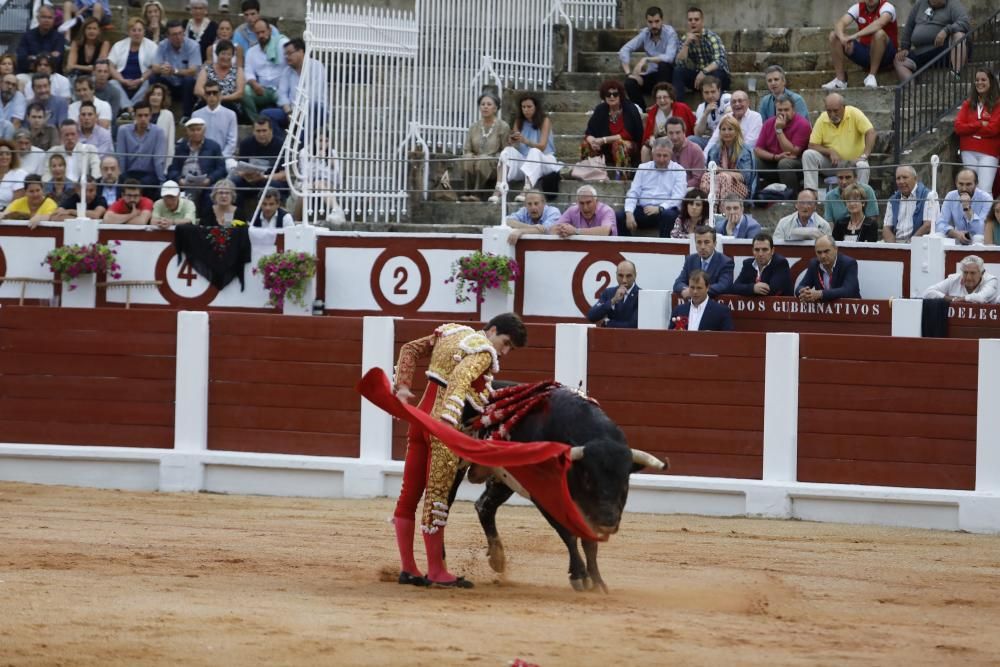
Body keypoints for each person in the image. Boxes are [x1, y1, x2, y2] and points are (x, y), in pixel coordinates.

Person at [391, 313, 527, 588]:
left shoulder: (451, 332)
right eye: (506, 342)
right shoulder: (484, 351)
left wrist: (403, 387)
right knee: (436, 500)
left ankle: (408, 568)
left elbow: (409, 349)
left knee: (409, 497)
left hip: (418, 421)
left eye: (510, 347)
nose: (505, 350)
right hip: (441, 427)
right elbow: (461, 377)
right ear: (492, 330)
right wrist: (448, 420)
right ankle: (436, 572)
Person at [803, 93, 875, 190]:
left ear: (844, 107)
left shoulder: (854, 113)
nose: (832, 114)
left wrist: (864, 156)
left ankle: (860, 197)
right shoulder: (823, 118)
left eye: (836, 111)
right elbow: (812, 145)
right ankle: (811, 193)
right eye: (829, 111)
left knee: (863, 165)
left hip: (853, 164)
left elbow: (871, 132)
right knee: (808, 154)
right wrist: (830, 151)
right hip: (833, 164)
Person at [617, 137, 687, 237]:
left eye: (665, 156)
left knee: (669, 215)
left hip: (665, 210)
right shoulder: (643, 168)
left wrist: (660, 208)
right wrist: (629, 212)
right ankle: (627, 249)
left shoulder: (679, 170)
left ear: (671, 155)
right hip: (643, 209)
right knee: (620, 216)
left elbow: (678, 197)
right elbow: (633, 192)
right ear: (652, 154)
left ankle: (664, 248)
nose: (661, 159)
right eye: (658, 155)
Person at [823, 0, 898, 90]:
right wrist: (842, 37)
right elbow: (840, 23)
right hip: (866, 53)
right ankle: (840, 80)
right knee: (834, 36)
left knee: (879, 34)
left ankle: (871, 76)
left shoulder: (887, 6)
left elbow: (879, 23)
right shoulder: (858, 7)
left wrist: (855, 36)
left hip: (887, 55)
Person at [498, 94, 559, 200]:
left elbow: (542, 147)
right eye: (523, 107)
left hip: (545, 159)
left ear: (536, 107)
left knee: (534, 151)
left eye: (529, 107)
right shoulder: (518, 121)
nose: (526, 110)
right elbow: (516, 146)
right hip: (526, 161)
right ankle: (498, 189)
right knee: (507, 151)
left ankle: (526, 190)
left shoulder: (545, 121)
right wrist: (511, 141)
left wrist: (526, 141)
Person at [894, 0, 970, 82]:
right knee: (899, 60)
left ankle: (956, 74)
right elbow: (909, 26)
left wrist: (947, 30)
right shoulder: (920, 4)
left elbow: (964, 22)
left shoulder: (953, 4)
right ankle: (911, 91)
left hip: (944, 51)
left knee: (959, 35)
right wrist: (905, 47)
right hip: (921, 52)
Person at [619, 6, 678, 109]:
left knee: (663, 65)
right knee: (630, 83)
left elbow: (669, 57)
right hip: (652, 76)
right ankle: (642, 112)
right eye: (650, 22)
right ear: (647, 22)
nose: (654, 25)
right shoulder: (645, 34)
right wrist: (629, 74)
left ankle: (660, 106)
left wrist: (646, 59)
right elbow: (624, 50)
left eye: (656, 21)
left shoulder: (670, 33)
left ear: (662, 21)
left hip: (668, 77)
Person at [167, 116, 226, 218]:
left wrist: (209, 179)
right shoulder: (181, 147)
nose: (195, 133)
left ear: (204, 131)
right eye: (192, 130)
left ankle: (203, 223)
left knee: (210, 195)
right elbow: (172, 169)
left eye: (198, 130)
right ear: (187, 131)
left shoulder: (213, 146)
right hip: (185, 182)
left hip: (206, 182)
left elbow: (221, 169)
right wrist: (179, 180)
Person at [262, 37, 325, 132]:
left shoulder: (316, 67)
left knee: (313, 108)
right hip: (291, 112)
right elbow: (282, 94)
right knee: (266, 114)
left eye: (289, 53)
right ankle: (282, 143)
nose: (287, 57)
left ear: (301, 52)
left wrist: (299, 114)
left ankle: (302, 143)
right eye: (285, 54)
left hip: (313, 111)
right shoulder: (287, 71)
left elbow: (313, 96)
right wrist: (289, 113)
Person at [581, 80, 643, 176]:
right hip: (605, 149)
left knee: (619, 145)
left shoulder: (630, 108)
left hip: (629, 148)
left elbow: (627, 134)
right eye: (608, 94)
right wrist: (592, 141)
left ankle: (622, 177)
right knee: (586, 144)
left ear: (620, 95)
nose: (612, 97)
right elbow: (589, 132)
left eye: (615, 94)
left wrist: (603, 140)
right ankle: (590, 175)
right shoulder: (600, 109)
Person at [955, 69, 1000, 196]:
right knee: (970, 190)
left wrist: (969, 129)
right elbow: (958, 127)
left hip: (989, 151)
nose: (979, 83)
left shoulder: (998, 104)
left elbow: (994, 129)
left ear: (991, 82)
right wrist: (979, 124)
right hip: (968, 150)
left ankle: (986, 217)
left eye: (983, 80)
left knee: (984, 190)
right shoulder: (968, 104)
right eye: (977, 80)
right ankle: (971, 216)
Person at [754, 94, 810, 193]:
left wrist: (779, 130)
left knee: (784, 163)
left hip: (796, 163)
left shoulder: (803, 124)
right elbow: (758, 150)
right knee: (753, 160)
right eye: (779, 110)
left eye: (786, 110)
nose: (783, 113)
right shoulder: (769, 123)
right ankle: (755, 194)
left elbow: (792, 153)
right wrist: (775, 157)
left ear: (793, 110)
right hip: (774, 161)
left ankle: (791, 197)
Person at [461, 92, 509, 203]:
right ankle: (466, 191)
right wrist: (472, 156)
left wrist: (487, 156)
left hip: (493, 162)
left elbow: (505, 151)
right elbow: (467, 149)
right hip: (475, 159)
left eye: (489, 104)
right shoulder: (474, 126)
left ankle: (477, 193)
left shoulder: (503, 126)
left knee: (483, 159)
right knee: (467, 157)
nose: (485, 107)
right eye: (482, 104)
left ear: (495, 108)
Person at [229, 116, 287, 209]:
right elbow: (240, 168)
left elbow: (284, 174)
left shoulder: (281, 145)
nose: (261, 134)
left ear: (271, 130)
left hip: (270, 179)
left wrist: (264, 177)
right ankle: (237, 218)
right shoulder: (246, 143)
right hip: (250, 178)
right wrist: (247, 176)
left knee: (273, 186)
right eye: (258, 131)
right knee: (233, 183)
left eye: (264, 131)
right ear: (253, 131)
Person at [672, 6, 730, 97]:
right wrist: (686, 44)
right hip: (699, 79)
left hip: (717, 77)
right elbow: (679, 63)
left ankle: (716, 106)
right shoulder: (685, 39)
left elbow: (720, 60)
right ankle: (678, 107)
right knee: (678, 72)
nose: (693, 22)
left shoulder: (711, 37)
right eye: (690, 20)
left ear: (702, 21)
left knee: (717, 73)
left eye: (696, 19)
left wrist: (704, 71)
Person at [151, 20, 202, 119]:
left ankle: (186, 115)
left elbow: (193, 70)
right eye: (174, 34)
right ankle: (155, 112)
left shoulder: (193, 46)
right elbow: (154, 67)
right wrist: (162, 69)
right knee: (153, 78)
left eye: (180, 33)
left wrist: (174, 71)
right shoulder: (163, 45)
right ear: (168, 36)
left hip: (186, 86)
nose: (178, 37)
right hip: (169, 85)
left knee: (189, 80)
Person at [701, 115, 756, 207]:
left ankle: (723, 213)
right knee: (707, 176)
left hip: (741, 188)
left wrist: (722, 171)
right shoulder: (714, 149)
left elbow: (745, 177)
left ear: (736, 131)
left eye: (730, 129)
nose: (726, 132)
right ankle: (709, 211)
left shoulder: (744, 151)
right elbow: (711, 171)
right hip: (718, 186)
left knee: (723, 177)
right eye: (723, 129)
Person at [242, 19, 287, 123]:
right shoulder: (251, 52)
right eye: (258, 33)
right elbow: (248, 72)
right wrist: (254, 84)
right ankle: (257, 122)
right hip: (262, 90)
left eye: (263, 32)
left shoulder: (282, 45)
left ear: (269, 31)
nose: (261, 35)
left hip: (280, 89)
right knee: (245, 91)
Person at [640, 82, 696, 163]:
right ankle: (646, 174)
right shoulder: (653, 112)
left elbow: (686, 132)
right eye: (659, 98)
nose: (662, 100)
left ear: (671, 99)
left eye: (665, 97)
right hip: (659, 144)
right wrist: (651, 139)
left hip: (678, 141)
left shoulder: (682, 108)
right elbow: (649, 135)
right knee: (645, 149)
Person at [673, 224, 734, 297]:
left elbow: (723, 286)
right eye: (699, 242)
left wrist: (696, 291)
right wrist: (686, 290)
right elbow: (678, 283)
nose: (702, 247)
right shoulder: (690, 260)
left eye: (707, 242)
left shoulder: (726, 262)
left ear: (714, 244)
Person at [115, 101, 166, 186]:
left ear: (150, 116)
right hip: (129, 173)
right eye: (140, 115)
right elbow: (121, 157)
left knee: (145, 183)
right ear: (134, 116)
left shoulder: (158, 132)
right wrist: (122, 176)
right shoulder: (123, 131)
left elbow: (158, 159)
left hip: (149, 174)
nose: (143, 119)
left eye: (146, 115)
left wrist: (162, 182)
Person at [796, 234, 861, 302]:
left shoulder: (848, 263)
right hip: (824, 310)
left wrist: (821, 294)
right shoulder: (814, 264)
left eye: (826, 251)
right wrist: (805, 293)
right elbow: (799, 288)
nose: (823, 256)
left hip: (849, 309)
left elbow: (849, 291)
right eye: (819, 252)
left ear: (836, 249)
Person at [936, 168, 993, 244]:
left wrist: (967, 209)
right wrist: (954, 233)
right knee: (939, 235)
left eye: (968, 184)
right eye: (961, 184)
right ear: (956, 183)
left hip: (978, 241)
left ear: (976, 184)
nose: (964, 188)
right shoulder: (951, 196)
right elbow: (940, 223)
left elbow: (983, 229)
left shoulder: (986, 198)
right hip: (958, 237)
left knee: (978, 238)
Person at [108, 18, 157, 105]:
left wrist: (141, 80)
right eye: (133, 30)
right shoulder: (119, 45)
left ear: (144, 32)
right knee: (112, 83)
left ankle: (130, 109)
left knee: (149, 83)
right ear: (129, 32)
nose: (137, 33)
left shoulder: (152, 46)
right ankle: (130, 108)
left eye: (139, 30)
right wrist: (122, 80)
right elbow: (111, 66)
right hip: (122, 81)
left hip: (142, 82)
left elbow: (153, 67)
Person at [883, 165, 936, 242]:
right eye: (898, 178)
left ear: (915, 179)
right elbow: (886, 228)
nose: (901, 181)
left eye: (905, 177)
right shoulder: (892, 200)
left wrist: (909, 244)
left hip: (919, 244)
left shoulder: (928, 195)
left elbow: (928, 225)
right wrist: (894, 247)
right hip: (896, 243)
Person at [731, 232, 792, 296]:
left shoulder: (781, 263)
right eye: (757, 250)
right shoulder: (748, 264)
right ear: (752, 251)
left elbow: (771, 290)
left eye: (765, 250)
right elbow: (734, 287)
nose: (760, 254)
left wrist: (747, 289)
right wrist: (752, 288)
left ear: (772, 251)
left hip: (779, 305)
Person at [192, 80, 238, 160]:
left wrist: (221, 157)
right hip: (201, 157)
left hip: (225, 158)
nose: (211, 96)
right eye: (208, 93)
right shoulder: (196, 115)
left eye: (215, 92)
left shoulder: (231, 115)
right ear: (205, 95)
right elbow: (194, 140)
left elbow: (232, 142)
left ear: (220, 94)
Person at [587, 260, 640, 328]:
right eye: (620, 275)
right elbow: (591, 316)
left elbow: (633, 325)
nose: (624, 280)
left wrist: (607, 323)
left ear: (635, 275)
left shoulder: (641, 295)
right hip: (609, 338)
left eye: (628, 276)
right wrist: (613, 301)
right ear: (616, 275)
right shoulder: (609, 292)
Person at [923, 255, 997, 303]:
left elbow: (981, 297)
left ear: (982, 273)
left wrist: (961, 299)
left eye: (972, 273)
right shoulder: (954, 279)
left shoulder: (991, 280)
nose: (968, 277)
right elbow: (928, 292)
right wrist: (950, 299)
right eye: (965, 272)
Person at [551, 185, 616, 237]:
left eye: (588, 202)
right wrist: (563, 231)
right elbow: (552, 230)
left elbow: (605, 231)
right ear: (577, 202)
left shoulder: (606, 211)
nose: (585, 207)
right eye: (581, 203)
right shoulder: (572, 210)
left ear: (596, 201)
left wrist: (575, 231)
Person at [16, 5, 64, 75]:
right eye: (43, 17)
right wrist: (49, 57)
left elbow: (57, 61)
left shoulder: (59, 37)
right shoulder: (27, 36)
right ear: (38, 18)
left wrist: (33, 57)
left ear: (54, 19)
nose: (46, 20)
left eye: (50, 17)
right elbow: (21, 59)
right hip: (29, 73)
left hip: (52, 75)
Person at [690, 75, 730, 149]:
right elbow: (697, 133)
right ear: (702, 93)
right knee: (691, 140)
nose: (710, 95)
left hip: (727, 137)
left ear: (719, 90)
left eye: (713, 91)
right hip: (711, 140)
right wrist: (705, 114)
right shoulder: (701, 107)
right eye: (706, 92)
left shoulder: (726, 97)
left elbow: (729, 113)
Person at [145, 83, 174, 170]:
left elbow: (170, 142)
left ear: (163, 98)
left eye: (159, 95)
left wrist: (167, 166)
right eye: (153, 94)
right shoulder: (142, 113)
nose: (155, 97)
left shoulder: (168, 115)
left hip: (160, 160)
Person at [0, 139, 26, 210]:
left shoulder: (19, 173)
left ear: (12, 157)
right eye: (1, 154)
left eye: (8, 154)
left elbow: (16, 202)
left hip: (9, 214)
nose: (4, 157)